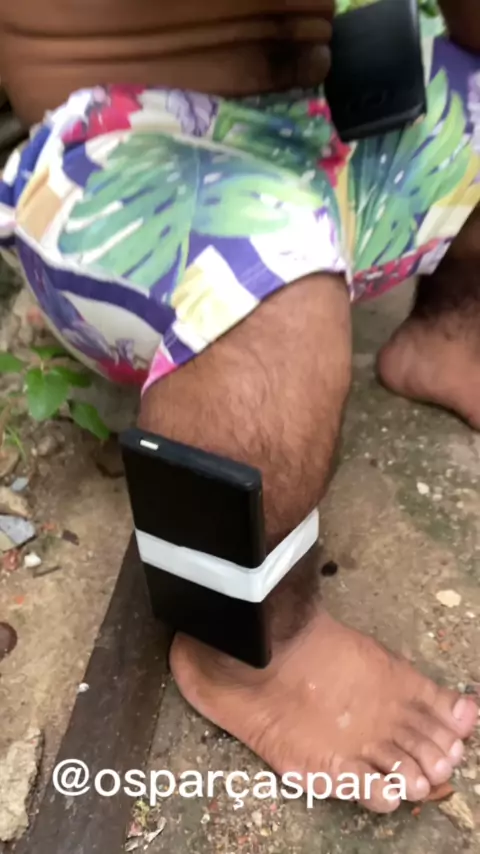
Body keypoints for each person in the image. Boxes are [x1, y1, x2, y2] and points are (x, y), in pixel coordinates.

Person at [0, 0, 479, 813]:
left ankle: (453, 329)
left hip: (310, 120)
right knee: (275, 289)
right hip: (121, 155)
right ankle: (252, 649)